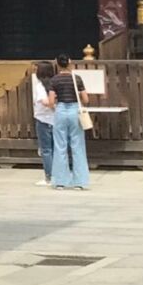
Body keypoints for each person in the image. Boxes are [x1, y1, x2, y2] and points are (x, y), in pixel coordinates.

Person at [48, 54, 91, 190]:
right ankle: (79, 182)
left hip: (60, 111)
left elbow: (51, 102)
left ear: (57, 64)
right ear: (70, 62)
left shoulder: (54, 80)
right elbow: (86, 99)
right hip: (74, 111)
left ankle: (60, 182)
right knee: (77, 146)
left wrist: (56, 107)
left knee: (60, 146)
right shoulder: (76, 78)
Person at [30, 60, 58, 184]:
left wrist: (51, 104)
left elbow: (45, 102)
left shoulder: (40, 86)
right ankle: (59, 174)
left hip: (43, 119)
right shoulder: (55, 84)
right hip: (56, 119)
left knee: (46, 150)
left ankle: (49, 177)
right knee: (57, 149)